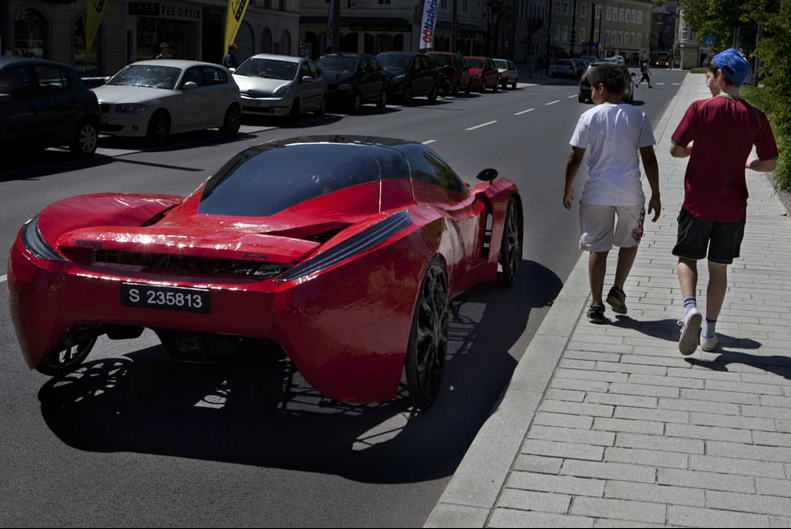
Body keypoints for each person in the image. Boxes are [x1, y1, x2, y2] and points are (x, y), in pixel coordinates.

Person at [670, 48, 779, 355]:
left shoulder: (700, 109)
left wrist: (693, 150)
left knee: (687, 259)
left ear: (719, 75)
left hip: (697, 203)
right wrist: (749, 164)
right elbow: (769, 163)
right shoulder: (756, 117)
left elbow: (675, 149)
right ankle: (708, 333)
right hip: (733, 207)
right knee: (719, 269)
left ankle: (690, 308)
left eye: (709, 74)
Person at [564, 63, 661, 323]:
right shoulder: (638, 116)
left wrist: (567, 188)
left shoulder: (589, 117)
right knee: (630, 242)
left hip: (596, 194)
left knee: (598, 248)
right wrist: (657, 194)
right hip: (631, 194)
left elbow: (575, 157)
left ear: (602, 88)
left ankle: (596, 305)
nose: (591, 92)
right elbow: (649, 159)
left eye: (592, 87)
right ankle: (617, 289)